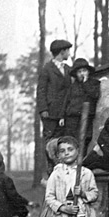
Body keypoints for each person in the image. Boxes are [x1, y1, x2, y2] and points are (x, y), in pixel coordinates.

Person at [37, 39, 73, 176]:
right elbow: (41, 90)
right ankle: (51, 172)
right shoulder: (47, 69)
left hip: (65, 112)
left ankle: (65, 171)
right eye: (67, 50)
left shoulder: (68, 69)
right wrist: (43, 110)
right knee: (50, 143)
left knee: (64, 141)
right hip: (51, 114)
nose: (69, 53)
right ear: (62, 52)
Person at [64, 58, 101, 153]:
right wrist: (62, 116)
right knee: (72, 141)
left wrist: (85, 83)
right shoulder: (73, 86)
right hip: (72, 118)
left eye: (84, 71)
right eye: (79, 71)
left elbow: (94, 95)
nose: (82, 73)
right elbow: (67, 101)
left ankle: (81, 162)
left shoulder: (94, 83)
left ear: (88, 72)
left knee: (84, 140)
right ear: (76, 74)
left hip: (86, 117)